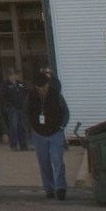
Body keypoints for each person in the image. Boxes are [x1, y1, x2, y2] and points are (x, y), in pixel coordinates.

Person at [29, 66, 71, 200]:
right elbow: (25, 113)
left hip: (55, 133)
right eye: (40, 87)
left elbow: (65, 112)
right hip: (39, 134)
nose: (43, 89)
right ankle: (49, 189)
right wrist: (31, 128)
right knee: (44, 163)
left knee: (58, 161)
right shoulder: (30, 97)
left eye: (45, 86)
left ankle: (60, 188)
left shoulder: (56, 94)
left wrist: (62, 126)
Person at [0, 68, 32, 151]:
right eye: (15, 74)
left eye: (17, 74)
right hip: (12, 109)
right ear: (11, 75)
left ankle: (23, 145)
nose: (17, 76)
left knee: (22, 127)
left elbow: (26, 93)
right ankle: (14, 145)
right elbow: (1, 96)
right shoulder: (5, 85)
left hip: (21, 108)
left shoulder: (20, 84)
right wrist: (7, 106)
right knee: (14, 127)